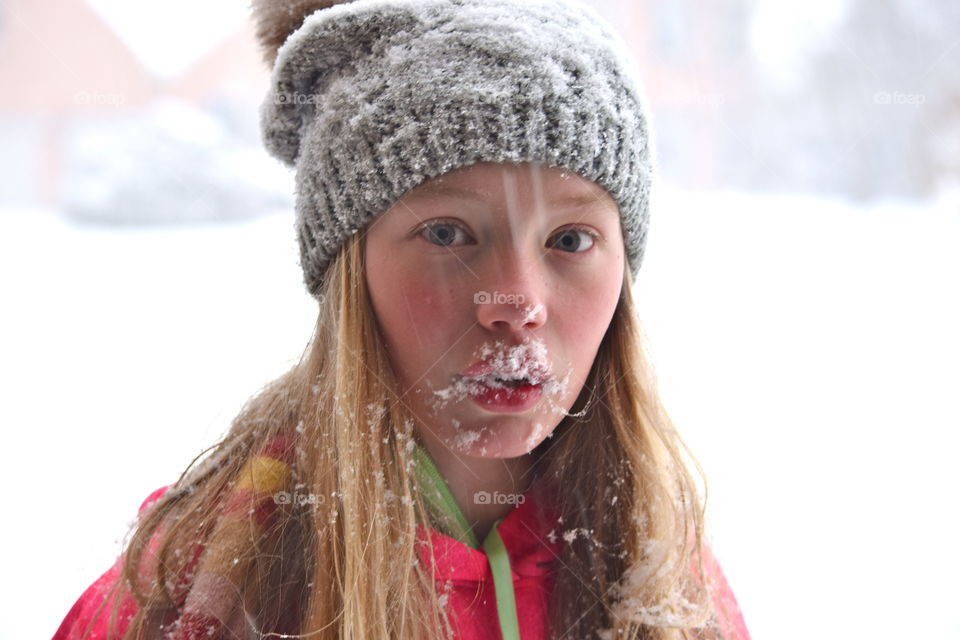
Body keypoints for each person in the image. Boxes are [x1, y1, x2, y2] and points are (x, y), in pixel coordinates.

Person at [53, 0, 751, 638]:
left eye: (570, 239)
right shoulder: (187, 588)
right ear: (350, 272)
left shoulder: (669, 581)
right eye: (447, 233)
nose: (517, 304)